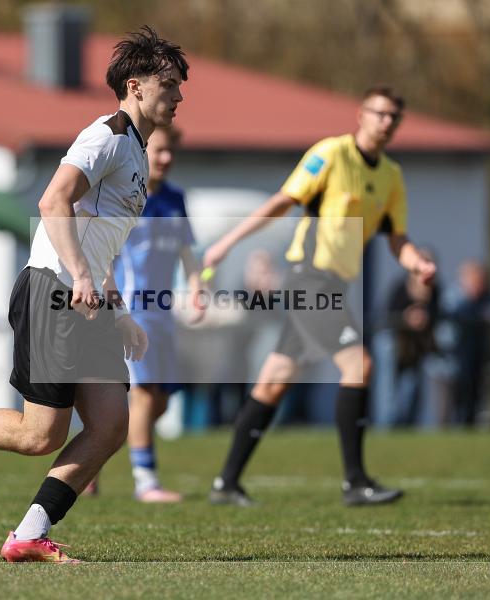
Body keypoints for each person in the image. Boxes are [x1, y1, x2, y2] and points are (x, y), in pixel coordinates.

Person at [0, 26, 187, 563]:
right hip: (53, 289)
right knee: (39, 435)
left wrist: (117, 311)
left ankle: (27, 534)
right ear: (135, 87)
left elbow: (101, 241)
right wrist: (81, 277)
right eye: (170, 84)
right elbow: (53, 202)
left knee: (112, 423)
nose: (179, 95)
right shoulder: (107, 136)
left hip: (85, 298)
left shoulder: (136, 152)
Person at [204, 86, 436, 507]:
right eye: (379, 113)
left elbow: (397, 238)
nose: (386, 122)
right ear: (361, 115)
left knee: (274, 382)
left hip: (334, 285)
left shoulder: (391, 176)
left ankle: (226, 483)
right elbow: (282, 201)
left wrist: (416, 261)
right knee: (359, 363)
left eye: (393, 117)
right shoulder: (331, 154)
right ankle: (355, 482)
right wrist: (227, 242)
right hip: (309, 281)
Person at [107, 124, 205, 502]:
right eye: (158, 151)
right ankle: (146, 482)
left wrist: (195, 287)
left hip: (164, 315)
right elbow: (107, 255)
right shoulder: (125, 196)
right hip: (135, 312)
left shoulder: (176, 199)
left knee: (162, 399)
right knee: (146, 394)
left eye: (170, 153)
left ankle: (95, 452)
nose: (165, 159)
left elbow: (187, 253)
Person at [381, 249, 440, 426]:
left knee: (412, 387)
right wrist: (406, 318)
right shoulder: (401, 287)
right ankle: (387, 425)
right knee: (388, 389)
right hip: (396, 345)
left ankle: (410, 425)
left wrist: (425, 318)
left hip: (417, 348)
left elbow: (438, 317)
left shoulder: (435, 292)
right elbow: (387, 316)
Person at [442, 259, 490, 426]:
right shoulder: (453, 296)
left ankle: (469, 423)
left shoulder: (486, 295)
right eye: (476, 281)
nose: (480, 285)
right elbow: (448, 327)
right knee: (453, 399)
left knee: (475, 393)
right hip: (453, 357)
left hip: (477, 353)